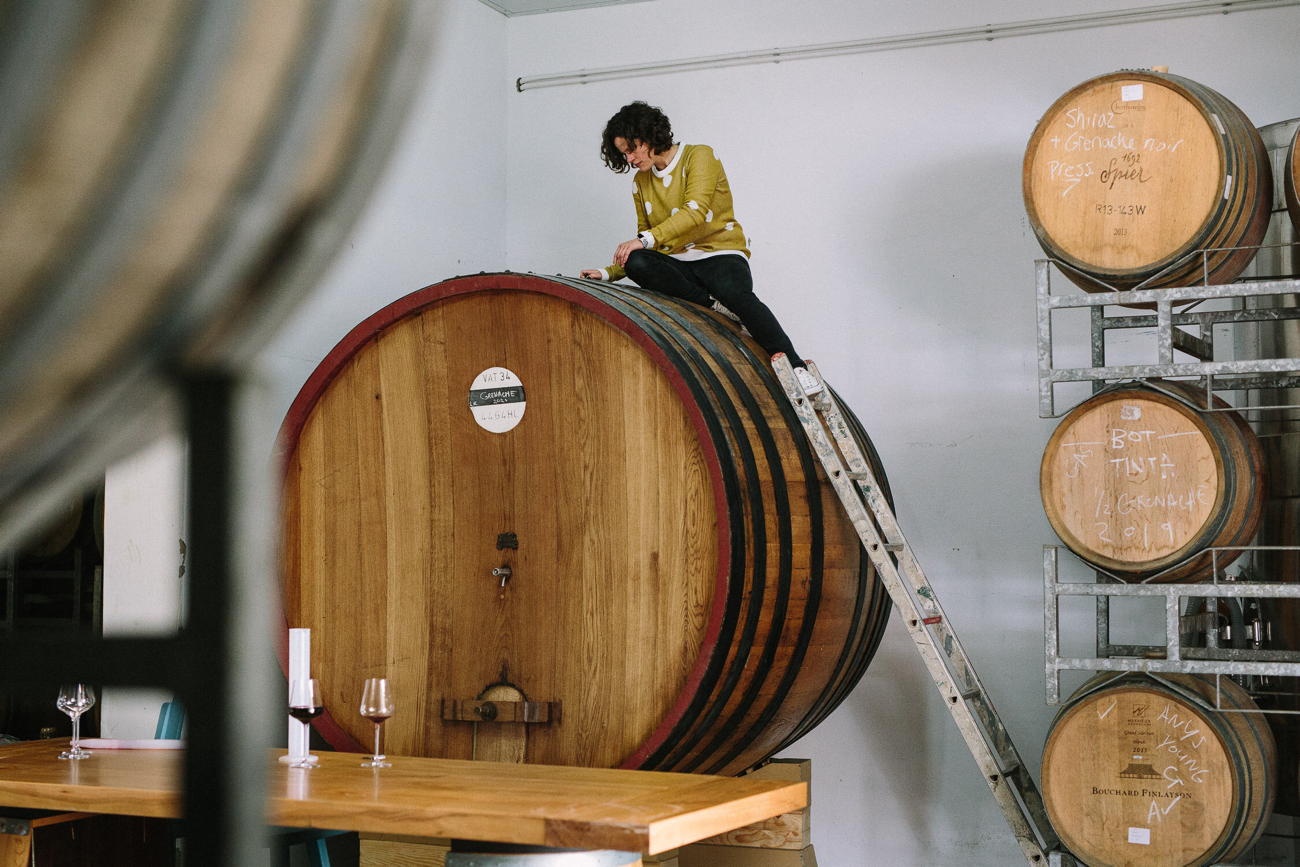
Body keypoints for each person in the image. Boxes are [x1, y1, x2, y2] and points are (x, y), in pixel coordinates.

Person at [579, 101, 822, 396]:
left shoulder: (699, 155)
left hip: (720, 254)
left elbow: (694, 212)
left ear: (647, 136)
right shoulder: (640, 182)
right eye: (623, 154)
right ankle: (712, 307)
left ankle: (796, 366)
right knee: (638, 261)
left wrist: (642, 241)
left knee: (738, 294)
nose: (629, 159)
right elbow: (644, 238)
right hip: (680, 265)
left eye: (631, 149)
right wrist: (607, 274)